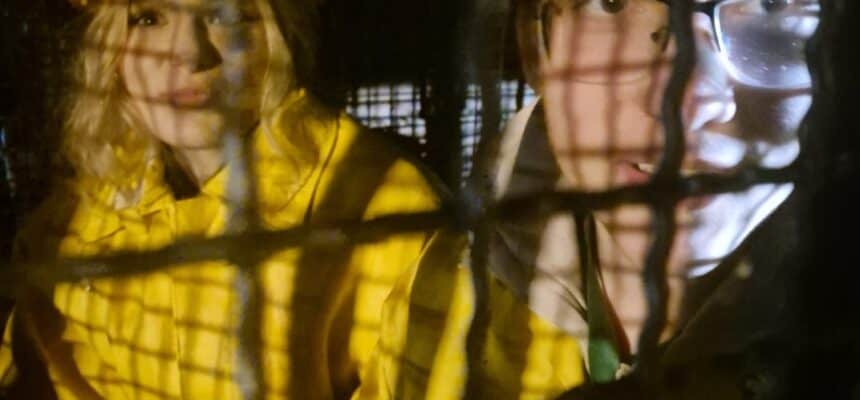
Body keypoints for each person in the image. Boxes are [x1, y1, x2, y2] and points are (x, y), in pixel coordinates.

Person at [358, 0, 819, 397]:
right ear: (536, 47)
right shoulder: (445, 283)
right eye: (613, 3)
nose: (686, 102)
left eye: (771, 3)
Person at [0, 0, 444, 398]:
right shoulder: (65, 230)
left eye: (223, 14)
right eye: (149, 18)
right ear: (108, 51)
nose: (190, 54)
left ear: (277, 40)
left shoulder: (386, 204)